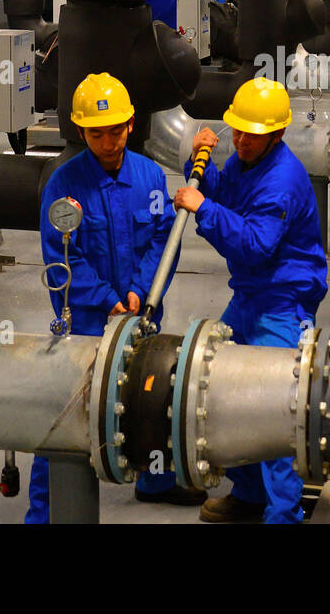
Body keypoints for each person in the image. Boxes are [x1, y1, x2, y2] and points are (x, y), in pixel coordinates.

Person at [26, 73, 206, 523]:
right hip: (88, 322)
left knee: (151, 395)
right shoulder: (64, 186)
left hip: (141, 313)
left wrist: (140, 291)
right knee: (66, 413)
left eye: (115, 130)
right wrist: (108, 299)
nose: (107, 141)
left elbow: (163, 238)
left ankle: (155, 478)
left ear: (130, 126)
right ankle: (43, 512)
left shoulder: (148, 176)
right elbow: (62, 261)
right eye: (95, 132)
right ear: (81, 132)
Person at [174, 77, 328, 524]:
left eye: (251, 134)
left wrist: (202, 207)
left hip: (282, 302)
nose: (240, 140)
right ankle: (249, 495)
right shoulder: (250, 159)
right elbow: (226, 196)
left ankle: (283, 515)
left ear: (277, 135)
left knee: (274, 411)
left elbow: (255, 245)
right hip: (250, 296)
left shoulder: (282, 179)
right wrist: (197, 162)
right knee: (222, 394)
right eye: (235, 131)